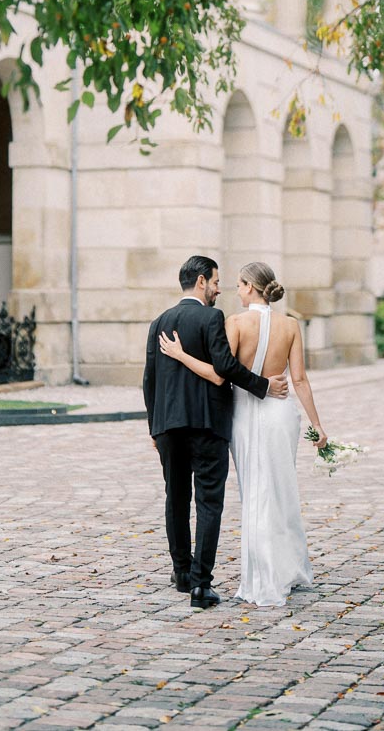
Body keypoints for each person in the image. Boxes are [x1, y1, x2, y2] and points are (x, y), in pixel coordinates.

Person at [159, 260, 327, 608]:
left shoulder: (235, 322)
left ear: (251, 287)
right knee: (281, 490)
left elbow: (222, 373)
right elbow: (299, 381)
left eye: (238, 284)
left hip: (246, 413)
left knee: (255, 491)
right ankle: (288, 567)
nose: (233, 289)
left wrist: (180, 354)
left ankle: (260, 576)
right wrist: (317, 425)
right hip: (282, 414)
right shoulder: (292, 325)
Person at [143, 254, 289, 610]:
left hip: (167, 427)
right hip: (208, 424)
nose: (218, 289)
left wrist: (154, 427)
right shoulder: (211, 317)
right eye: (215, 282)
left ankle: (181, 573)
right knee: (209, 503)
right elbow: (224, 367)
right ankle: (201, 585)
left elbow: (149, 381)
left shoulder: (158, 321)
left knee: (175, 498)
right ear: (200, 282)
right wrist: (263, 386)